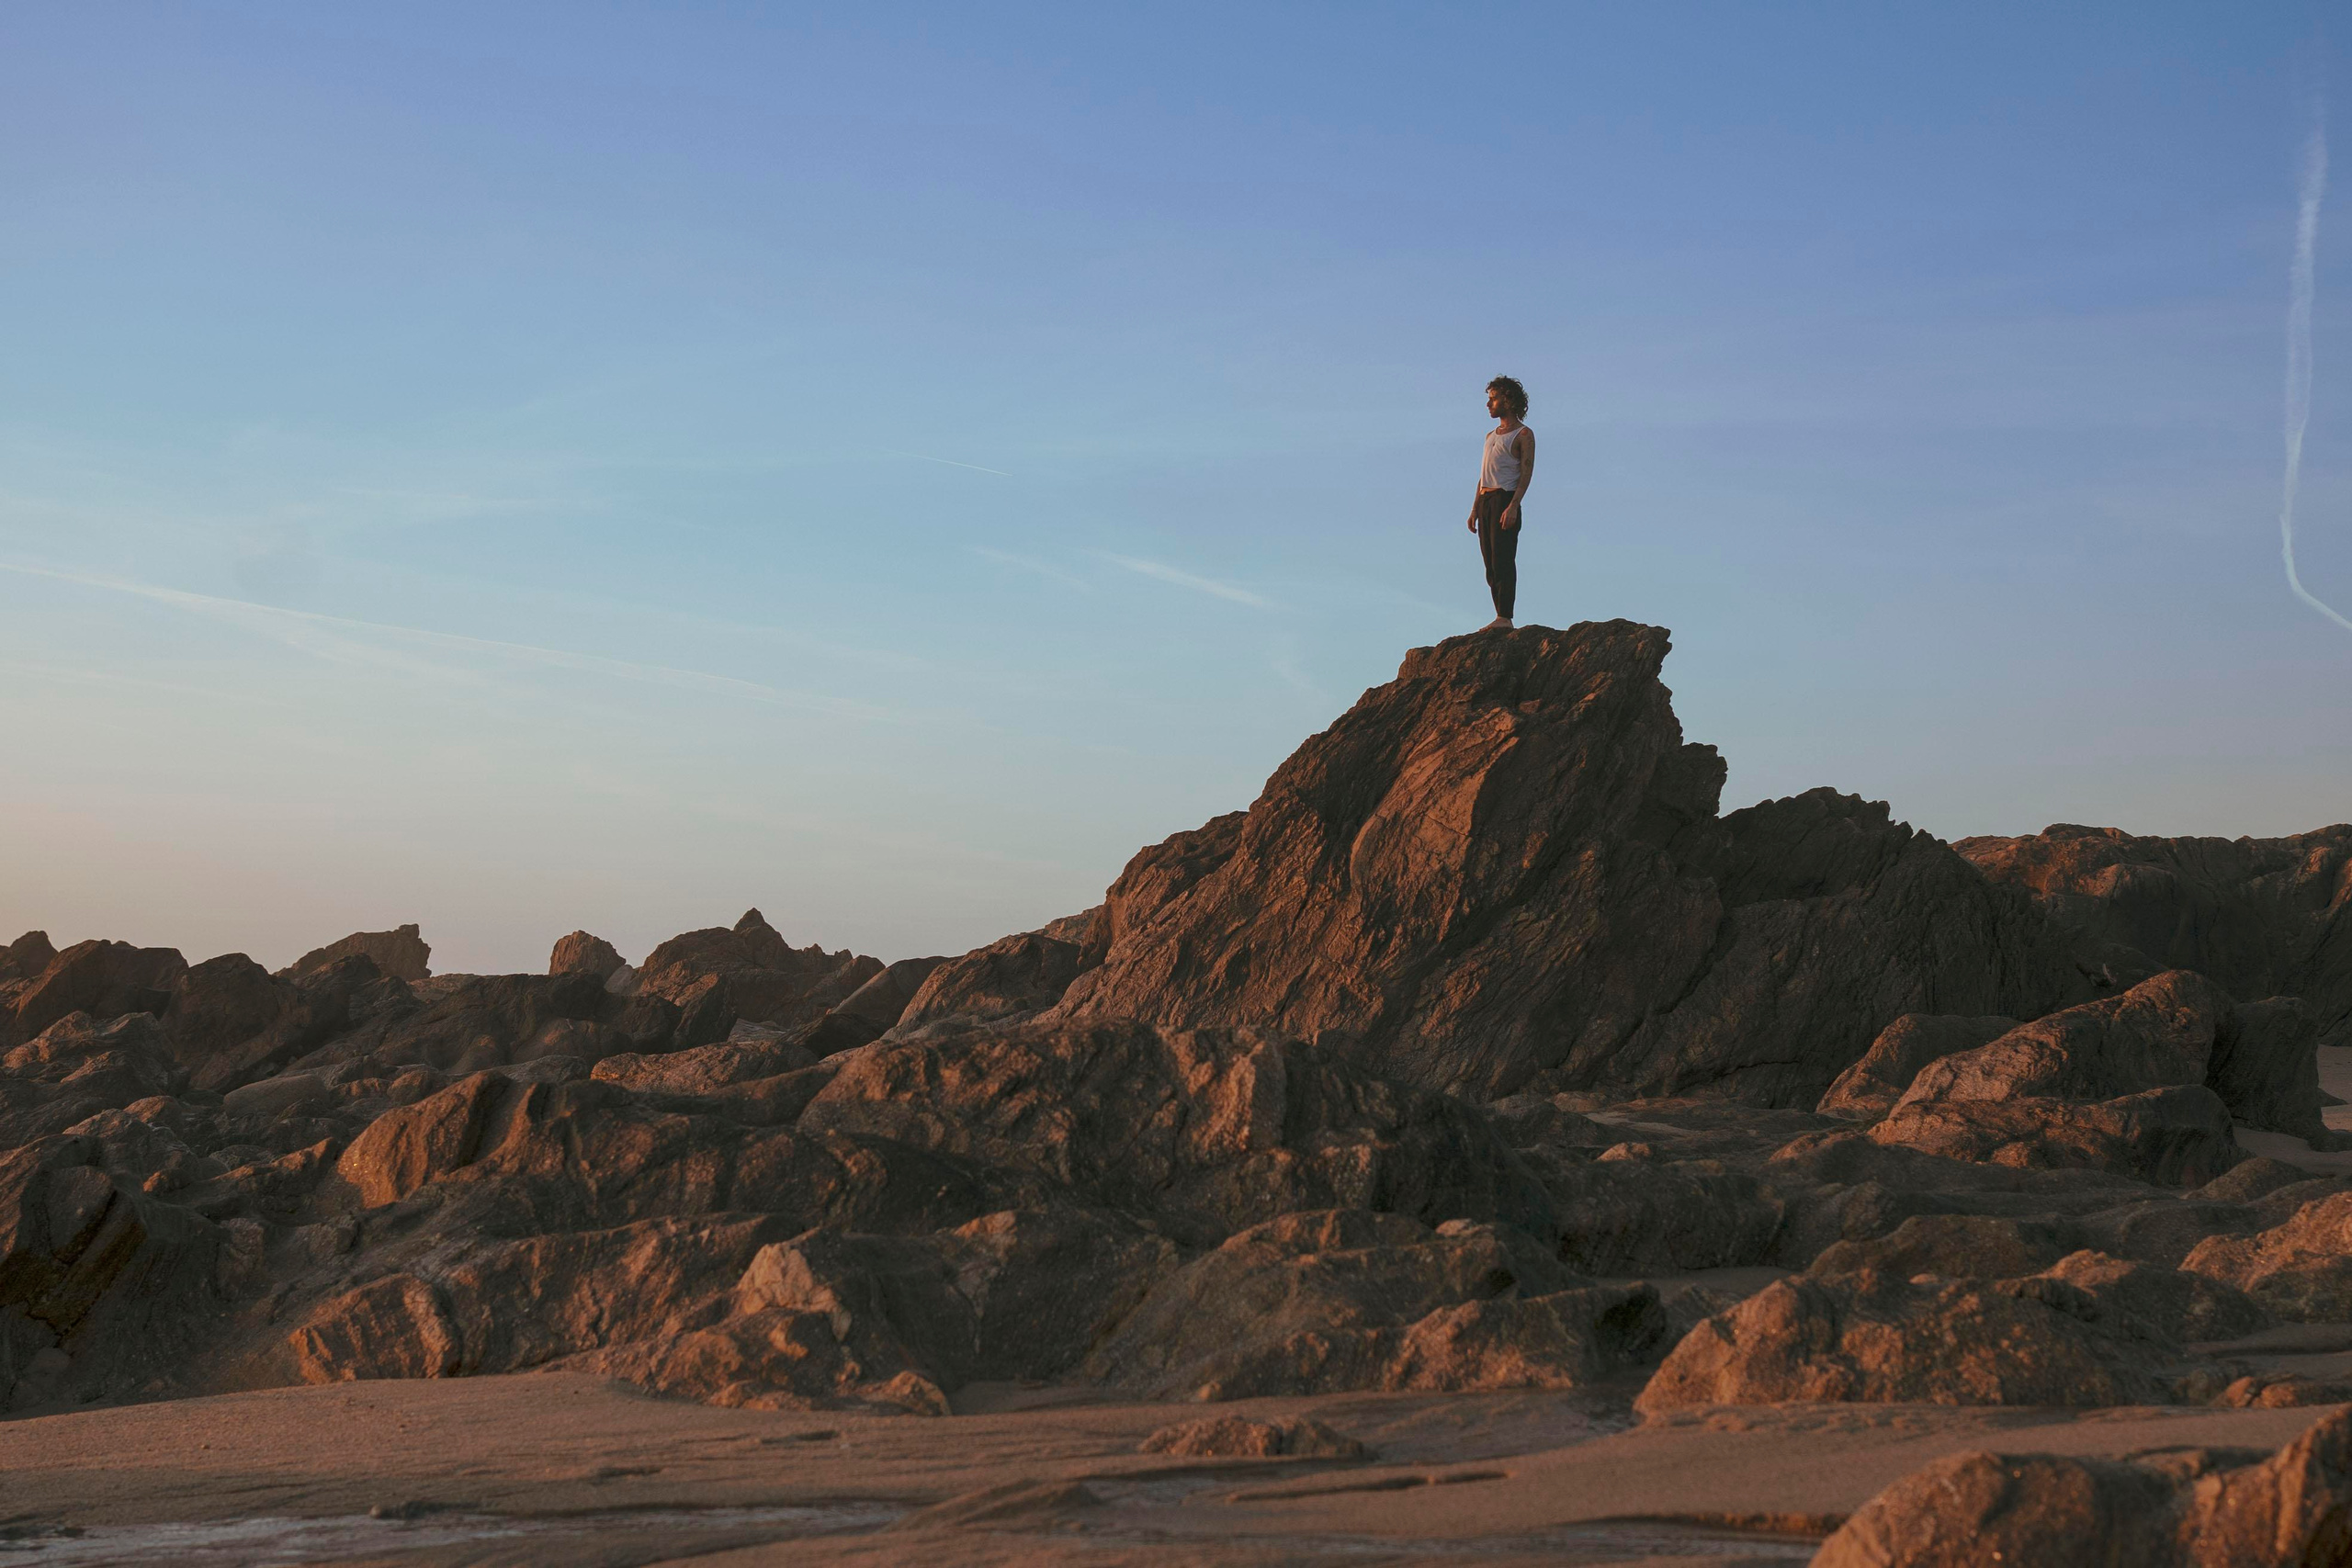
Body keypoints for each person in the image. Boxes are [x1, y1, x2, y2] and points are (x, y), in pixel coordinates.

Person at [1467, 376, 1533, 630]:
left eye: (1493, 399)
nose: (1489, 404)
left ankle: (1505, 617)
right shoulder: (1490, 435)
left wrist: (1514, 505)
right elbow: (1484, 473)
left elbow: (1526, 473)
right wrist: (1474, 508)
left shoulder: (1523, 434)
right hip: (1485, 499)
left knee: (1503, 558)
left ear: (1508, 399)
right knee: (1489, 563)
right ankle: (1498, 615)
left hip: (1505, 498)